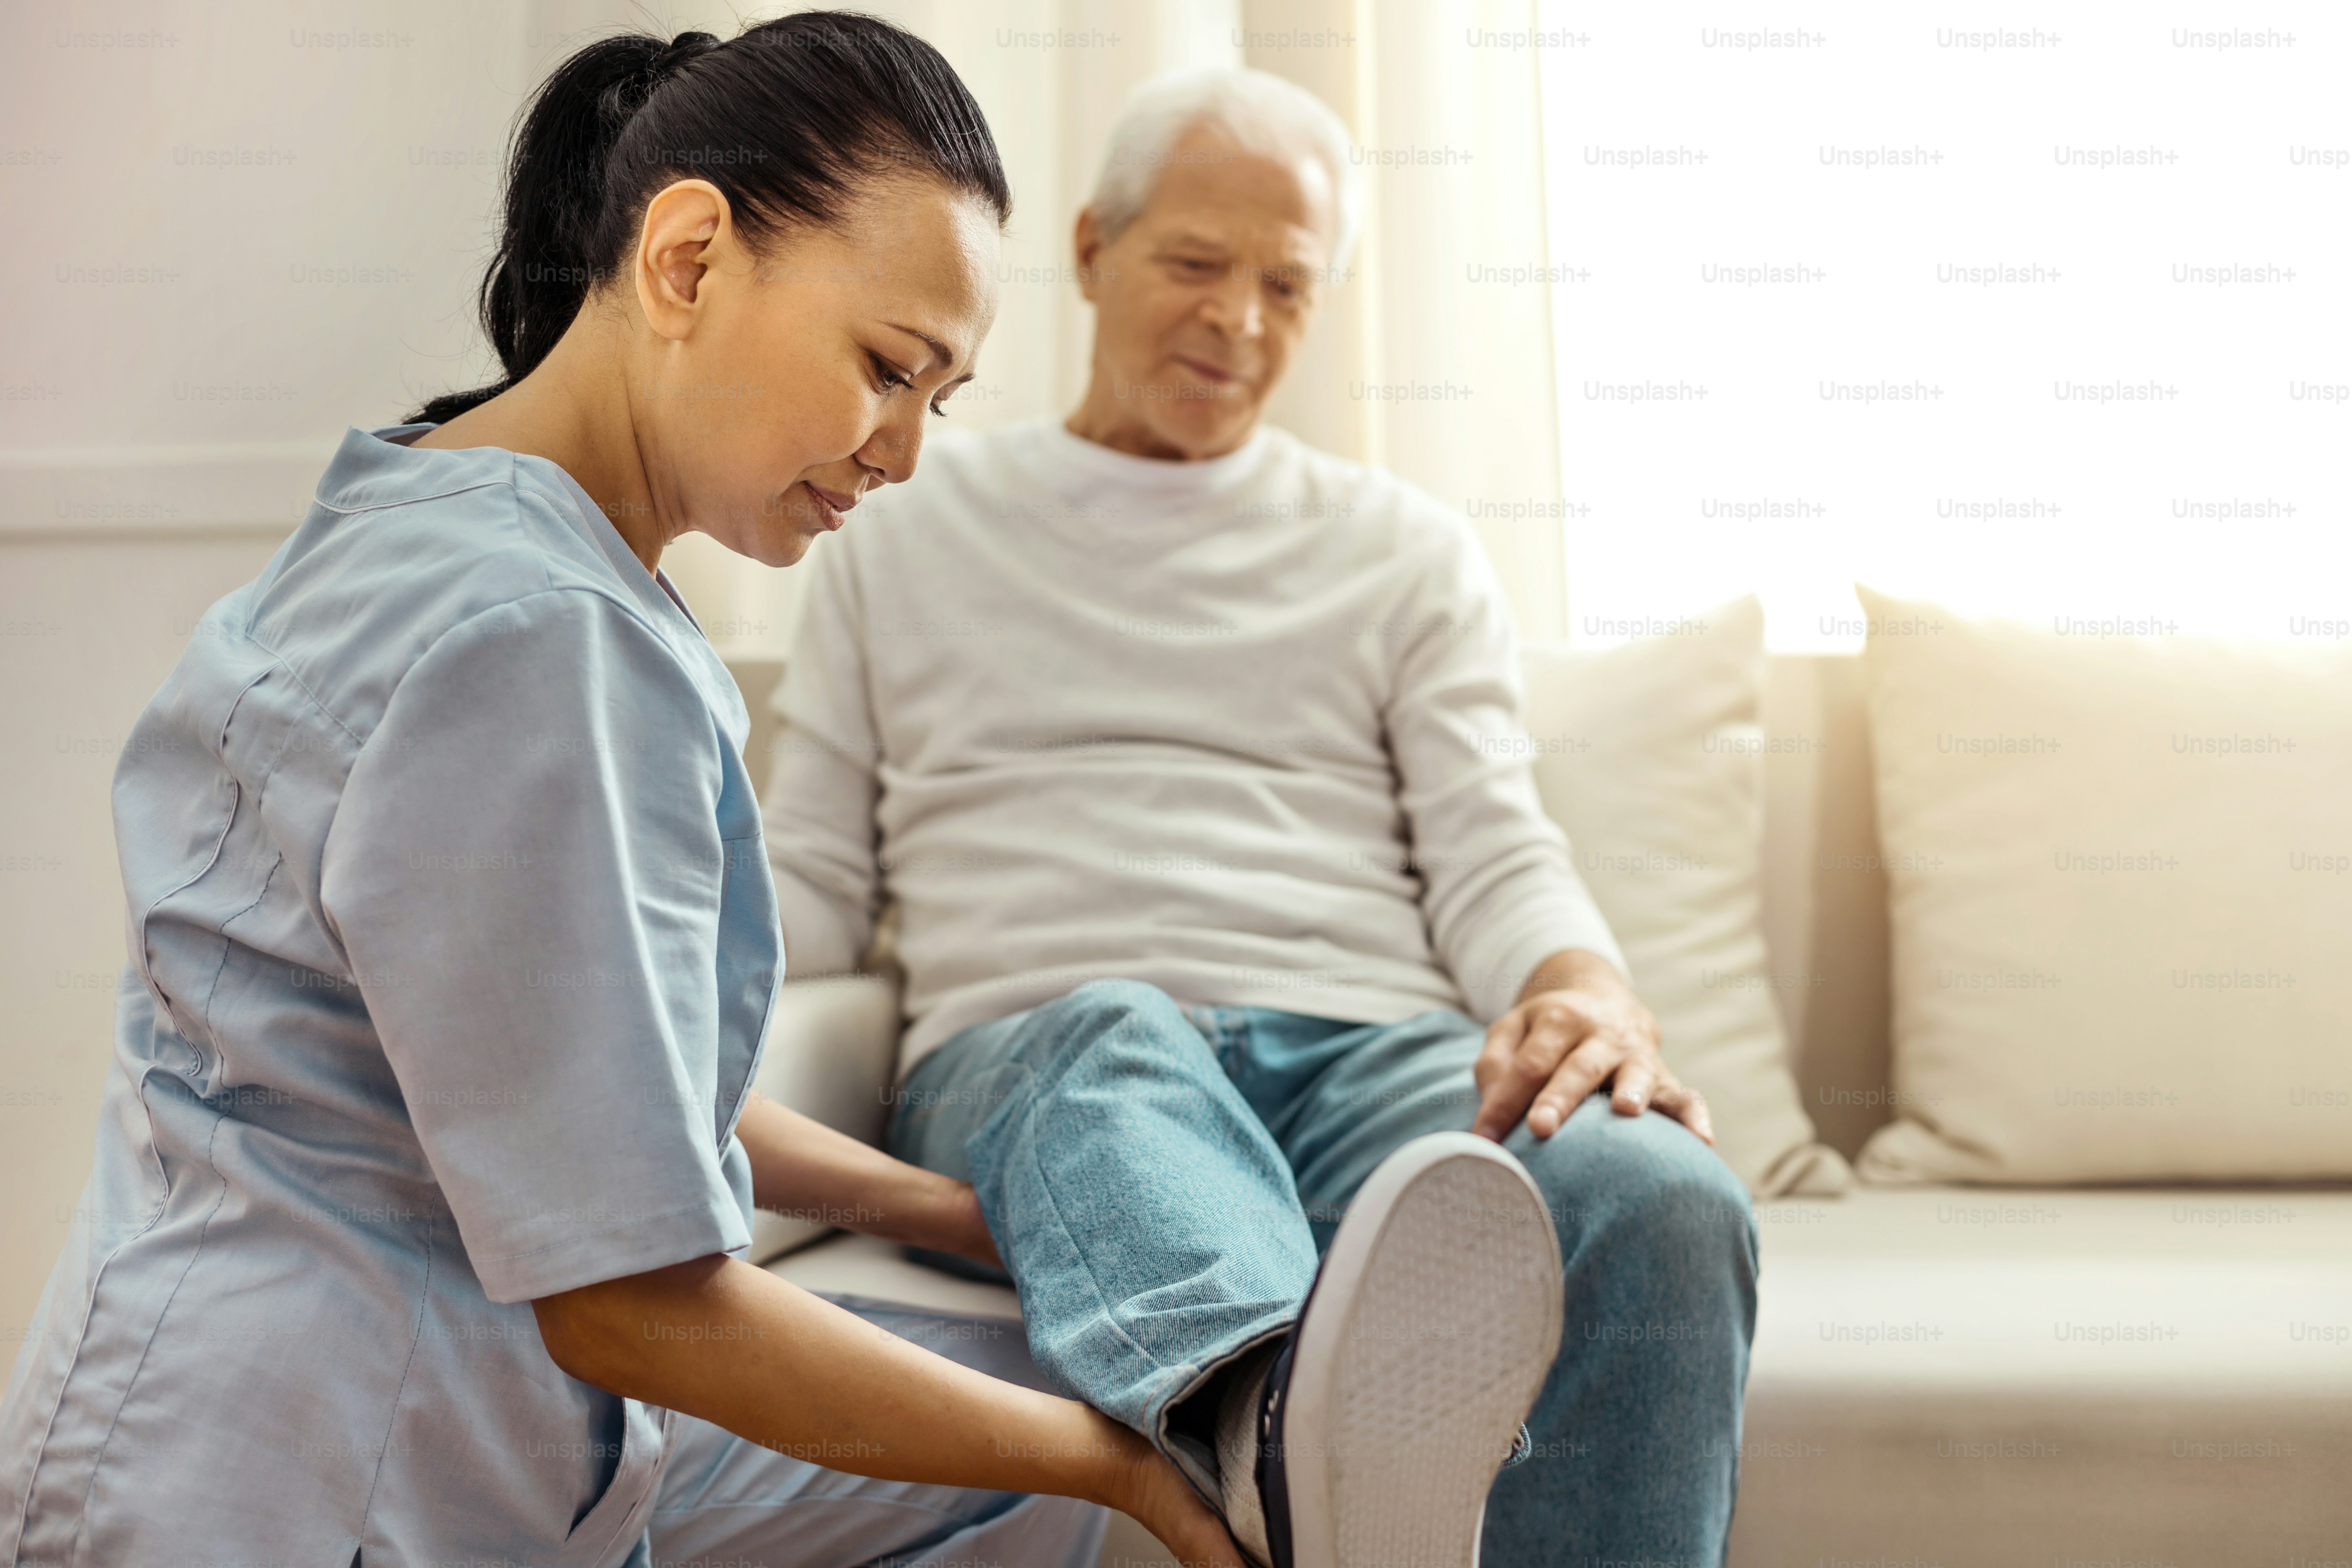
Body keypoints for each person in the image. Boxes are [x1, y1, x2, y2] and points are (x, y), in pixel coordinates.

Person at [0, 18, 1250, 1567]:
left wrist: (949, 1213)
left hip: (196, 1400)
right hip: (313, 1486)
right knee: (1066, 1453)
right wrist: (1120, 1471)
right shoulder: (543, 643)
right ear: (684, 258)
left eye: (946, 395)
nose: (909, 453)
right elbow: (635, 1302)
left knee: (1013, 1405)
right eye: (886, 368)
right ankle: (1261, 1439)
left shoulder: (430, 500)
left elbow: (585, 1079)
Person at [761, 66, 1762, 1568]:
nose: (1238, 322)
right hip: (1054, 1059)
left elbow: (1495, 843)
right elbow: (814, 879)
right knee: (1115, 1031)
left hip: (1367, 1053)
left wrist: (1585, 992)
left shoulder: (1404, 553)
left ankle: (1307, 1471)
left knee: (1657, 1191)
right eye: (1196, 265)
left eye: (1287, 286)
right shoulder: (897, 524)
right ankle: (1293, 1452)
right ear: (1094, 250)